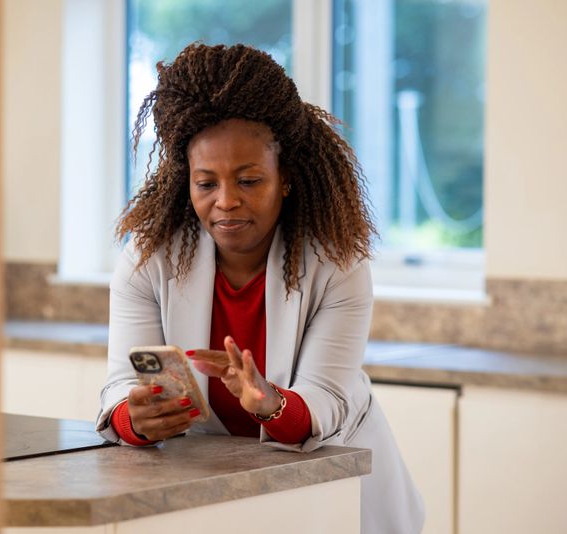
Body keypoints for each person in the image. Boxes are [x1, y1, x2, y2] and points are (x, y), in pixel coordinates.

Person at [96, 43, 424, 533]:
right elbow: (122, 385)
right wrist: (135, 419)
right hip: (211, 488)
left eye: (249, 180)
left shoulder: (337, 262)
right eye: (206, 184)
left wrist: (271, 403)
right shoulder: (148, 258)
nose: (226, 202)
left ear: (285, 177)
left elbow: (326, 398)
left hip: (332, 487)